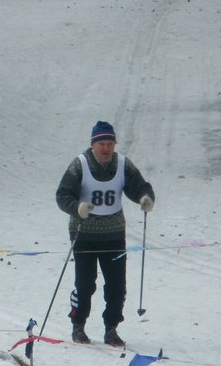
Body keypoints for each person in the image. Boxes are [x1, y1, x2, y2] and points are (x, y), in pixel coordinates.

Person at [56, 120, 155, 348]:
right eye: (102, 143)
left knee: (117, 285)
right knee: (85, 285)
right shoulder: (79, 165)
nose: (106, 148)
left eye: (110, 143)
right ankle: (78, 325)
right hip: (84, 236)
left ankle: (111, 329)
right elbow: (63, 195)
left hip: (113, 235)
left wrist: (145, 198)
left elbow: (140, 185)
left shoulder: (122, 164)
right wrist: (77, 208)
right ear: (93, 145)